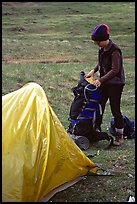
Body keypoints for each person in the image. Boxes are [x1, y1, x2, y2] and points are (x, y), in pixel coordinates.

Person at [85, 24, 125, 146]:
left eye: (98, 42)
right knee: (99, 106)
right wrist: (93, 70)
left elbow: (115, 70)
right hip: (105, 83)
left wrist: (101, 80)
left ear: (105, 39)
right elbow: (100, 63)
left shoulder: (115, 51)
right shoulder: (102, 49)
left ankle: (119, 135)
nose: (97, 44)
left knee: (115, 109)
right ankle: (96, 130)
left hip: (116, 84)